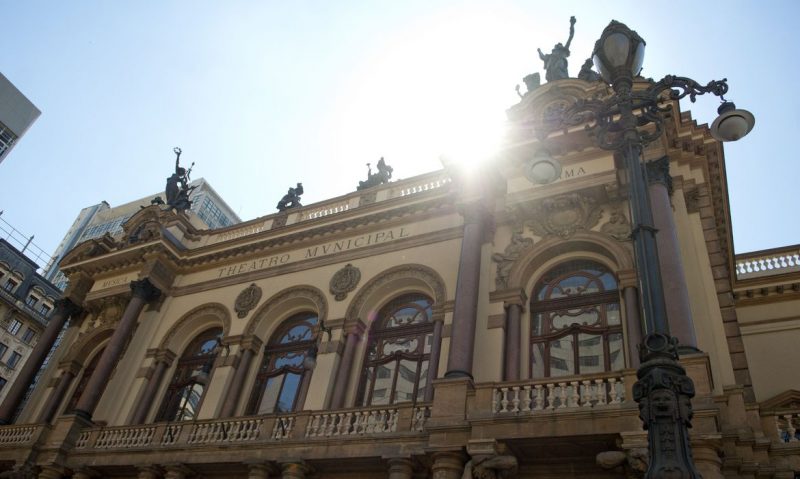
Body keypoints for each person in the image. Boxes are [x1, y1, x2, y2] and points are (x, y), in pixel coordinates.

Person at [538, 16, 576, 82]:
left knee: (559, 74)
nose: (558, 45)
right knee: (551, 80)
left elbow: (571, 36)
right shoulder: (550, 56)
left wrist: (572, 24)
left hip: (560, 69)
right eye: (557, 45)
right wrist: (539, 51)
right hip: (550, 71)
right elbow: (543, 57)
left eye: (560, 45)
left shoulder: (563, 50)